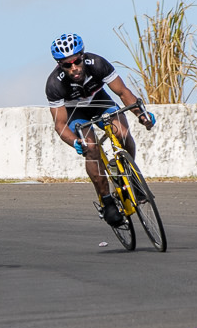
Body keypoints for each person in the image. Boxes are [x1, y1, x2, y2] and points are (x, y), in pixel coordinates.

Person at [46, 33, 155, 227]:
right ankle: (106, 201)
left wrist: (141, 115)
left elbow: (123, 92)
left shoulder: (97, 63)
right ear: (59, 65)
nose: (74, 68)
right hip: (75, 112)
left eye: (76, 61)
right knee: (91, 148)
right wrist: (75, 142)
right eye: (66, 65)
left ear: (82, 56)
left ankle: (130, 177)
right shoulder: (54, 83)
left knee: (122, 133)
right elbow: (60, 124)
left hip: (99, 101)